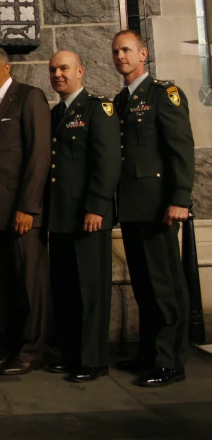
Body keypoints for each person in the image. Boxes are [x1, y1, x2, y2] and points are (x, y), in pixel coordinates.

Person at [111, 30, 195, 387]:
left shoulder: (164, 95)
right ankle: (149, 353)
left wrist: (180, 199)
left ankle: (170, 360)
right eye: (116, 52)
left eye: (127, 50)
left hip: (159, 206)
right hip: (131, 207)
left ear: (143, 54)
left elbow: (180, 148)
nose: (121, 57)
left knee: (165, 286)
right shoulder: (120, 99)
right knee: (144, 286)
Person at [0, 45, 51, 375]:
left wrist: (28, 208)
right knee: (3, 285)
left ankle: (33, 351)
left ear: (7, 68)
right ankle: (11, 347)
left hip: (21, 214)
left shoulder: (29, 97)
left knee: (29, 284)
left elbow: (38, 156)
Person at [45, 51, 120, 382]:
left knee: (91, 291)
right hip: (60, 216)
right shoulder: (55, 113)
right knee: (66, 290)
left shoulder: (97, 108)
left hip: (88, 215)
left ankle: (93, 360)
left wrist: (97, 206)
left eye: (64, 69)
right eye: (53, 70)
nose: (58, 74)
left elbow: (107, 162)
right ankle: (71, 353)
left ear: (80, 71)